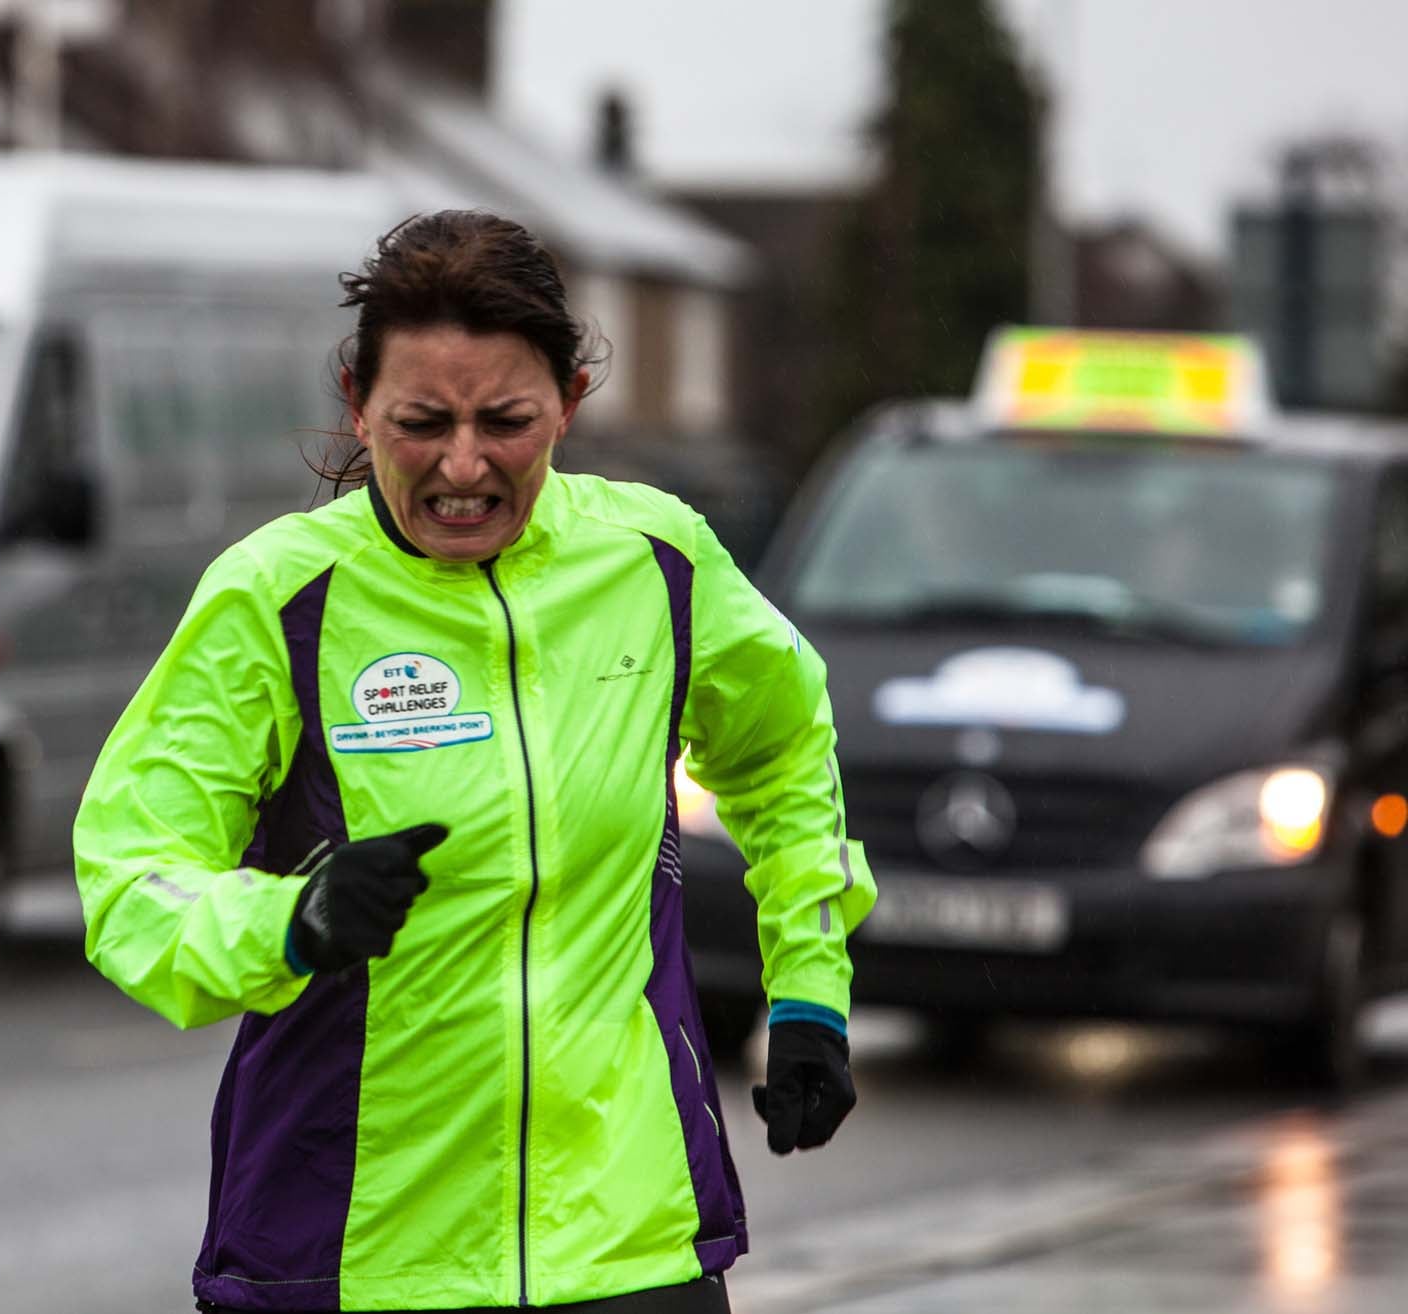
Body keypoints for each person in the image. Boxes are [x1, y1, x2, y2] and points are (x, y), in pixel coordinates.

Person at [74, 211, 876, 1313]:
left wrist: (809, 994)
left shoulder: (655, 560)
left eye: (506, 420)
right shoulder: (273, 599)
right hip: (353, 1251)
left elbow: (785, 750)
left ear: (570, 405)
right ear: (356, 405)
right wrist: (290, 924)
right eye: (418, 423)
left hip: (625, 1245)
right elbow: (128, 875)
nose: (462, 465)